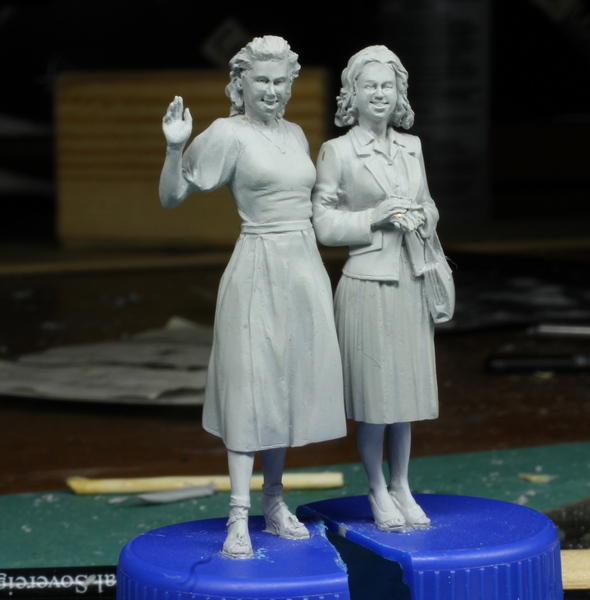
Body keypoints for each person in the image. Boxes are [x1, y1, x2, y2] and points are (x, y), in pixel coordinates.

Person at [159, 35, 346, 558]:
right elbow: (172, 196)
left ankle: (274, 501)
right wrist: (175, 148)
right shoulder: (227, 134)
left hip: (303, 268)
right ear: (239, 84)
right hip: (258, 266)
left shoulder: (296, 134)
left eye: (280, 80)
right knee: (250, 386)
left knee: (286, 384)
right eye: (261, 79)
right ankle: (238, 514)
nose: (271, 89)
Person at [313, 46, 442, 531]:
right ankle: (376, 486)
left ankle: (402, 484)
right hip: (367, 284)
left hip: (410, 279)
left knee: (404, 400)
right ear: (353, 94)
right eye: (370, 86)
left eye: (388, 85)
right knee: (375, 401)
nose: (380, 94)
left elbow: (430, 203)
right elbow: (322, 222)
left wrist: (420, 215)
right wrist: (375, 216)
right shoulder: (338, 151)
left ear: (399, 92)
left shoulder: (412, 147)